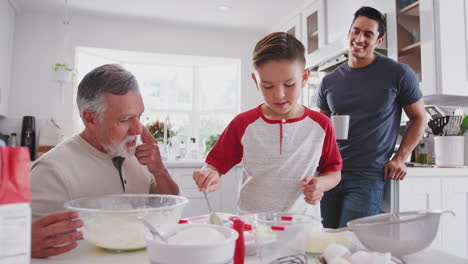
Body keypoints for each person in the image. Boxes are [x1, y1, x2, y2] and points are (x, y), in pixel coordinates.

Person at [30, 64, 180, 258]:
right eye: (125, 119)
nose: (137, 129)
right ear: (90, 119)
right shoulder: (52, 170)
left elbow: (172, 212)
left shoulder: (139, 154)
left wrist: (160, 170)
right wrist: (22, 241)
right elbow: (21, 242)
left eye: (139, 116)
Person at [192, 32, 342, 218]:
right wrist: (209, 174)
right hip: (253, 224)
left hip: (302, 224)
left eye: (289, 84)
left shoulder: (321, 124)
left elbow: (334, 172)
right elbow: (215, 165)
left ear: (304, 77)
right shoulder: (243, 123)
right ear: (256, 81)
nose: (279, 95)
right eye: (268, 86)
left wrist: (321, 184)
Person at [317, 6, 426, 228]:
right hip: (329, 173)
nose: (360, 38)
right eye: (356, 31)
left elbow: (419, 118)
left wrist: (400, 157)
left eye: (368, 34)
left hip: (367, 175)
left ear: (379, 40)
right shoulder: (329, 81)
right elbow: (321, 126)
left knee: (353, 242)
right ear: (348, 33)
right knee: (326, 239)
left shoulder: (398, 73)